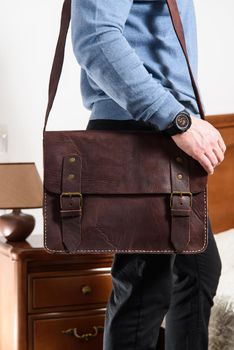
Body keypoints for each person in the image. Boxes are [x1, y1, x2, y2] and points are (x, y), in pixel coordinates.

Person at [71, 1, 226, 349]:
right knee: (145, 287)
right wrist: (178, 119)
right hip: (143, 131)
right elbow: (94, 36)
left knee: (196, 272)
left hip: (160, 132)